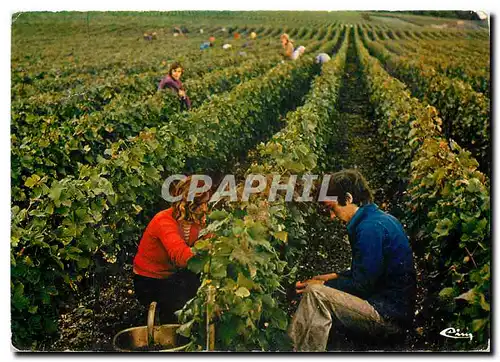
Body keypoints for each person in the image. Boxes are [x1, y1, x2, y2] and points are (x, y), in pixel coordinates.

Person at [288, 169, 416, 351]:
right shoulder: (379, 219)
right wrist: (329, 277)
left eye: (332, 208)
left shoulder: (368, 229)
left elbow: (362, 285)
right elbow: (367, 272)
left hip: (388, 319)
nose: (332, 216)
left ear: (347, 199)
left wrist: (321, 286)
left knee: (316, 294)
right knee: (318, 288)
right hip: (395, 311)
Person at [133, 176, 211, 323]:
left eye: (206, 203)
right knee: (179, 308)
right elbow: (181, 257)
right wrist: (209, 248)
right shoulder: (163, 220)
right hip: (150, 280)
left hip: (172, 275)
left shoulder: (195, 219)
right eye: (201, 204)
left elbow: (208, 237)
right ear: (188, 203)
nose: (205, 208)